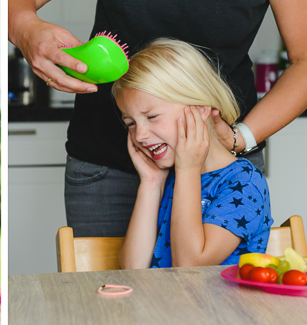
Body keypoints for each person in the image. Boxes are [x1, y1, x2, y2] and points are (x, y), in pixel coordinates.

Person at [8, 0, 307, 238]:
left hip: (218, 163)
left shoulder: (238, 182)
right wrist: (25, 28)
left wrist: (240, 137)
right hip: (109, 163)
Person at [115, 39, 271, 268]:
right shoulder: (169, 178)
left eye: (151, 117)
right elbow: (132, 271)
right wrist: (150, 183)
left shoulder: (244, 183)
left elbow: (190, 268)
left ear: (199, 109)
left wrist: (188, 169)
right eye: (130, 123)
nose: (139, 135)